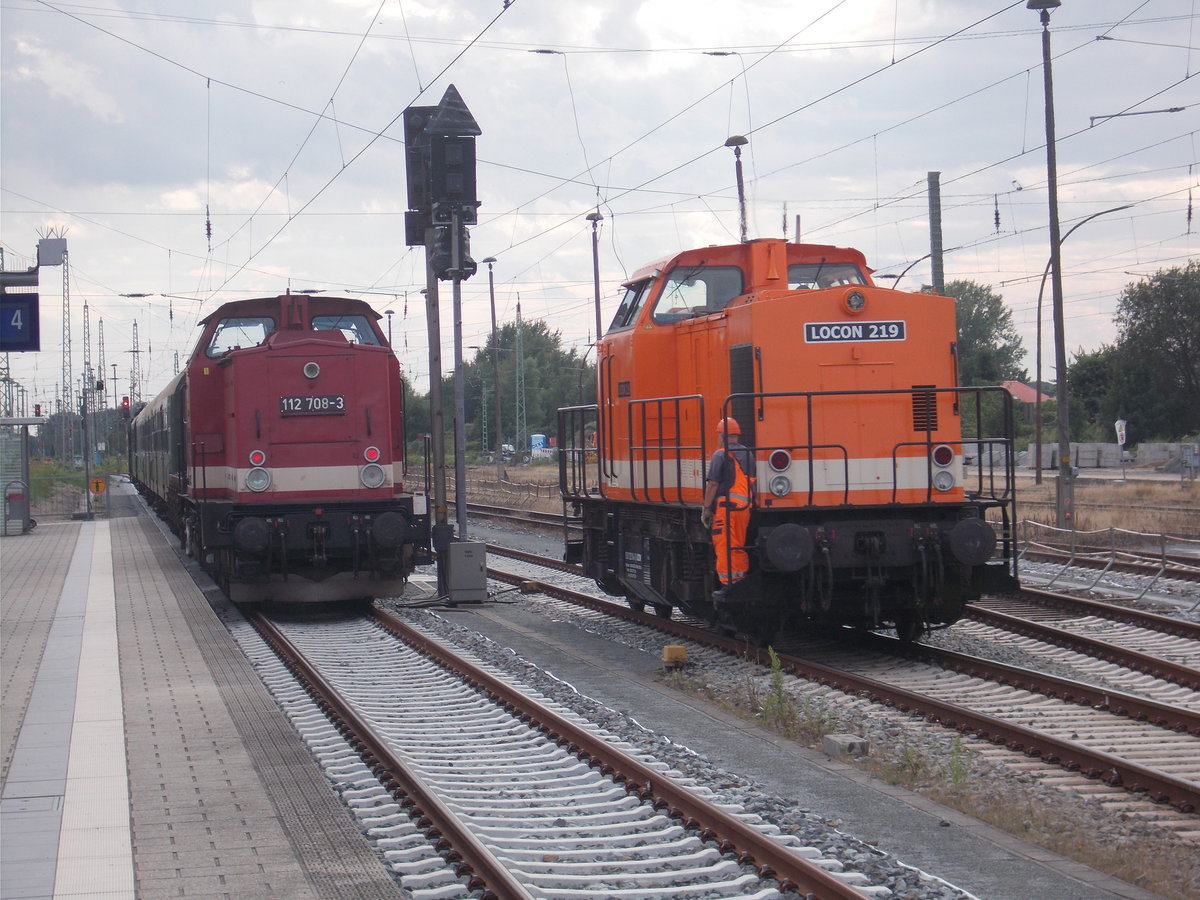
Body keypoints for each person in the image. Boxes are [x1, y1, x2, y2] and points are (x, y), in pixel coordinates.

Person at [700, 417, 755, 589]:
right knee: (738, 545)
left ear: (722, 436)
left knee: (725, 546)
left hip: (726, 509)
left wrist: (706, 508)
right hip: (745, 508)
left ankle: (729, 584)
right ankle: (740, 579)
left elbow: (713, 484)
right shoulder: (748, 453)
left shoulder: (720, 454)